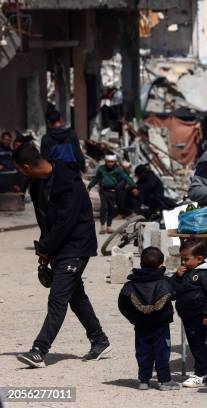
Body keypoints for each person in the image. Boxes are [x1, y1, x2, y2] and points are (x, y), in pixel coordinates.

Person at [12, 143, 110, 368]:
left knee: (58, 297)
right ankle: (99, 339)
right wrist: (45, 249)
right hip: (59, 245)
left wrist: (47, 247)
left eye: (19, 168)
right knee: (75, 295)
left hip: (77, 244)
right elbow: (45, 219)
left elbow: (66, 223)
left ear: (26, 166)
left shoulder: (69, 182)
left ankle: (39, 350)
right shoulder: (36, 184)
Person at [118, 247, 179, 391]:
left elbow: (122, 304)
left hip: (140, 325)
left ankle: (144, 381)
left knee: (143, 352)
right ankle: (164, 381)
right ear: (161, 264)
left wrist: (133, 318)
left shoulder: (130, 285)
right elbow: (176, 294)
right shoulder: (165, 282)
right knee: (162, 352)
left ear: (141, 262)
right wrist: (178, 277)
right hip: (161, 325)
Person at [171, 239, 207, 388]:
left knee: (199, 345)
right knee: (195, 344)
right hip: (189, 316)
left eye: (186, 259)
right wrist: (176, 277)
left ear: (199, 258)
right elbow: (175, 291)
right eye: (182, 259)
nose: (184, 262)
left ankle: (202, 374)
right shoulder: (188, 272)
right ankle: (203, 374)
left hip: (200, 316)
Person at [88, 154, 137, 234]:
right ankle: (102, 226)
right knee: (104, 208)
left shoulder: (118, 169)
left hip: (113, 192)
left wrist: (133, 186)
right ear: (105, 161)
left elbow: (126, 177)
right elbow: (96, 178)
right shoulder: (101, 169)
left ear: (114, 162)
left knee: (111, 209)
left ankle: (109, 226)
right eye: (108, 161)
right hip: (104, 191)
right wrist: (89, 186)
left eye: (111, 162)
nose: (110, 163)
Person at [40, 107, 86, 173]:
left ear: (48, 122)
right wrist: (83, 168)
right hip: (72, 175)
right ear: (60, 119)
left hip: (55, 177)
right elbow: (78, 155)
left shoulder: (46, 139)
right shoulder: (72, 134)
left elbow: (45, 161)